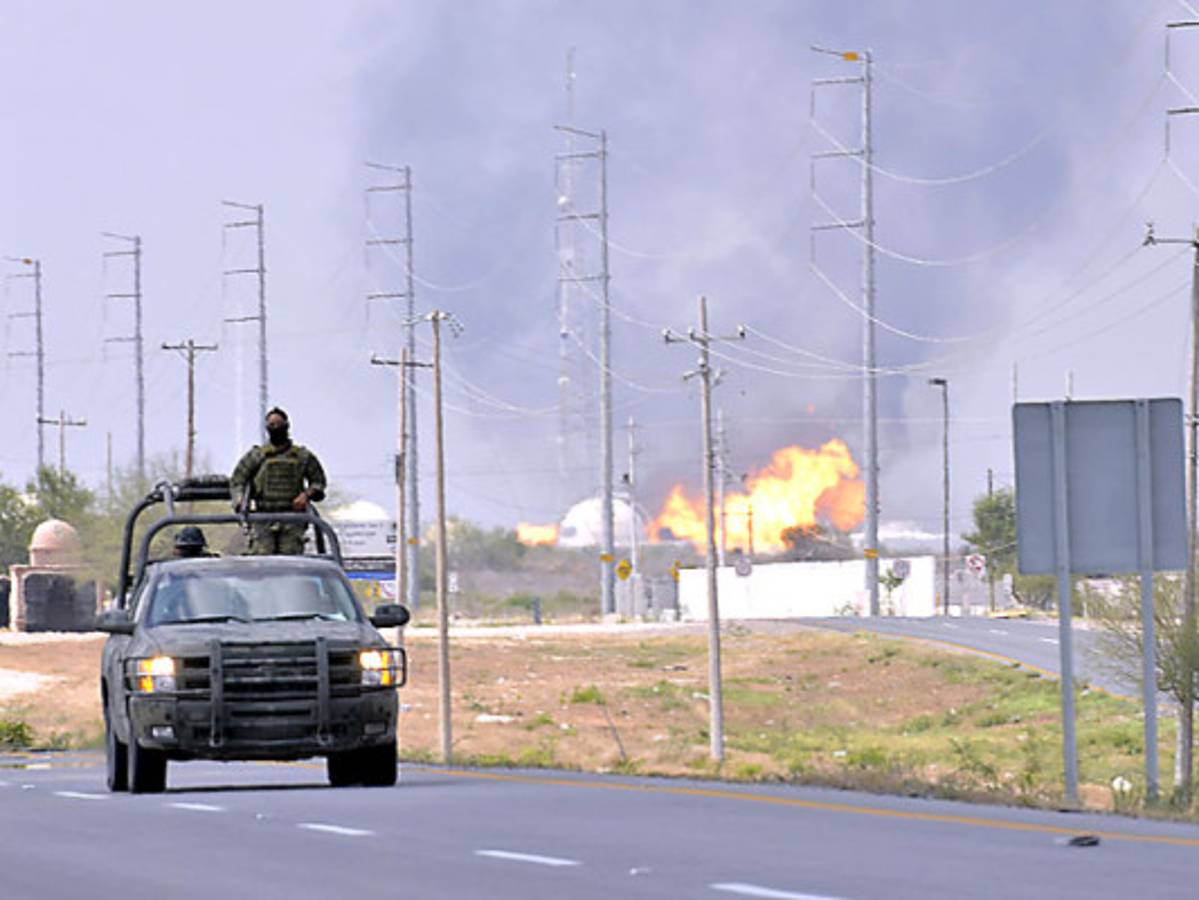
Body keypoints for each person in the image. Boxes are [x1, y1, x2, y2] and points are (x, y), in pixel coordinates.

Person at [230, 407, 328, 555]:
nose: (275, 428)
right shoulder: (257, 456)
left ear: (286, 426)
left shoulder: (302, 456)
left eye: (278, 424)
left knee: (291, 558)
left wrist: (306, 495)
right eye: (271, 425)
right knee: (262, 557)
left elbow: (319, 482)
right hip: (262, 517)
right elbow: (238, 480)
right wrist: (240, 501)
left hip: (292, 519)